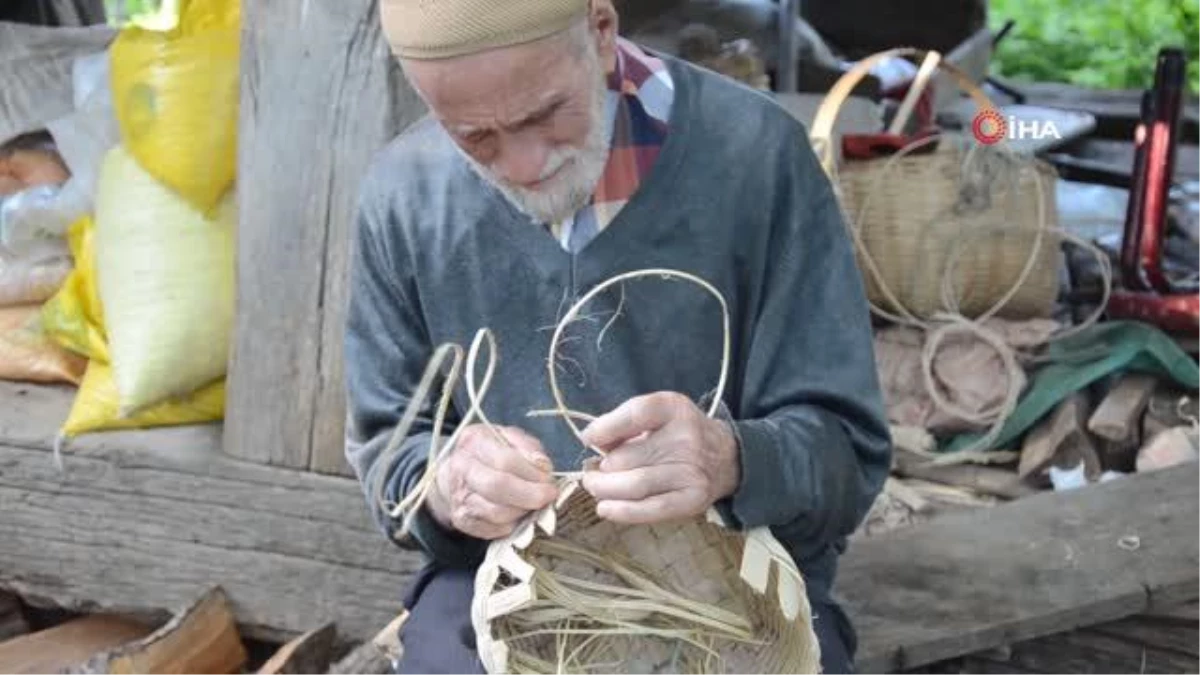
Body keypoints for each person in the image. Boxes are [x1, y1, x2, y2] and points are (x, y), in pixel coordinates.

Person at [343, 1, 892, 672]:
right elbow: (389, 453)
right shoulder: (405, 195)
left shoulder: (757, 158)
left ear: (601, 32)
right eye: (474, 138)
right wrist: (448, 482)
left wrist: (730, 457)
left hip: (739, 590)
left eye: (544, 115)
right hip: (502, 591)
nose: (522, 164)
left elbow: (848, 454)